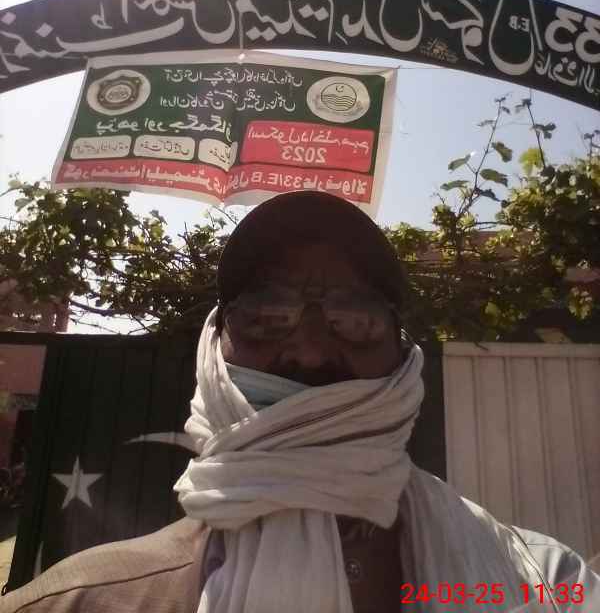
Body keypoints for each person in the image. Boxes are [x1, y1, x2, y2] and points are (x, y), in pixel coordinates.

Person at [2, 191, 598, 613]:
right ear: (214, 348)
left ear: (403, 357)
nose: (310, 353)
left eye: (354, 317)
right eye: (267, 315)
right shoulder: (77, 602)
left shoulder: (547, 583)